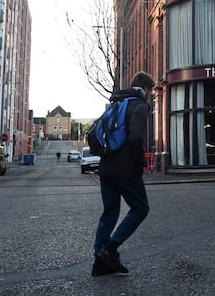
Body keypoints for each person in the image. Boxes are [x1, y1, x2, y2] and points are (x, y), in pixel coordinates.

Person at [92, 71, 155, 277]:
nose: (150, 94)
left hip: (106, 167)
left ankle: (99, 262)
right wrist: (140, 163)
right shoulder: (140, 106)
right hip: (126, 168)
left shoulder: (117, 103)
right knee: (140, 208)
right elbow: (136, 137)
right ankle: (109, 249)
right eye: (151, 91)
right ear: (145, 89)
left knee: (109, 213)